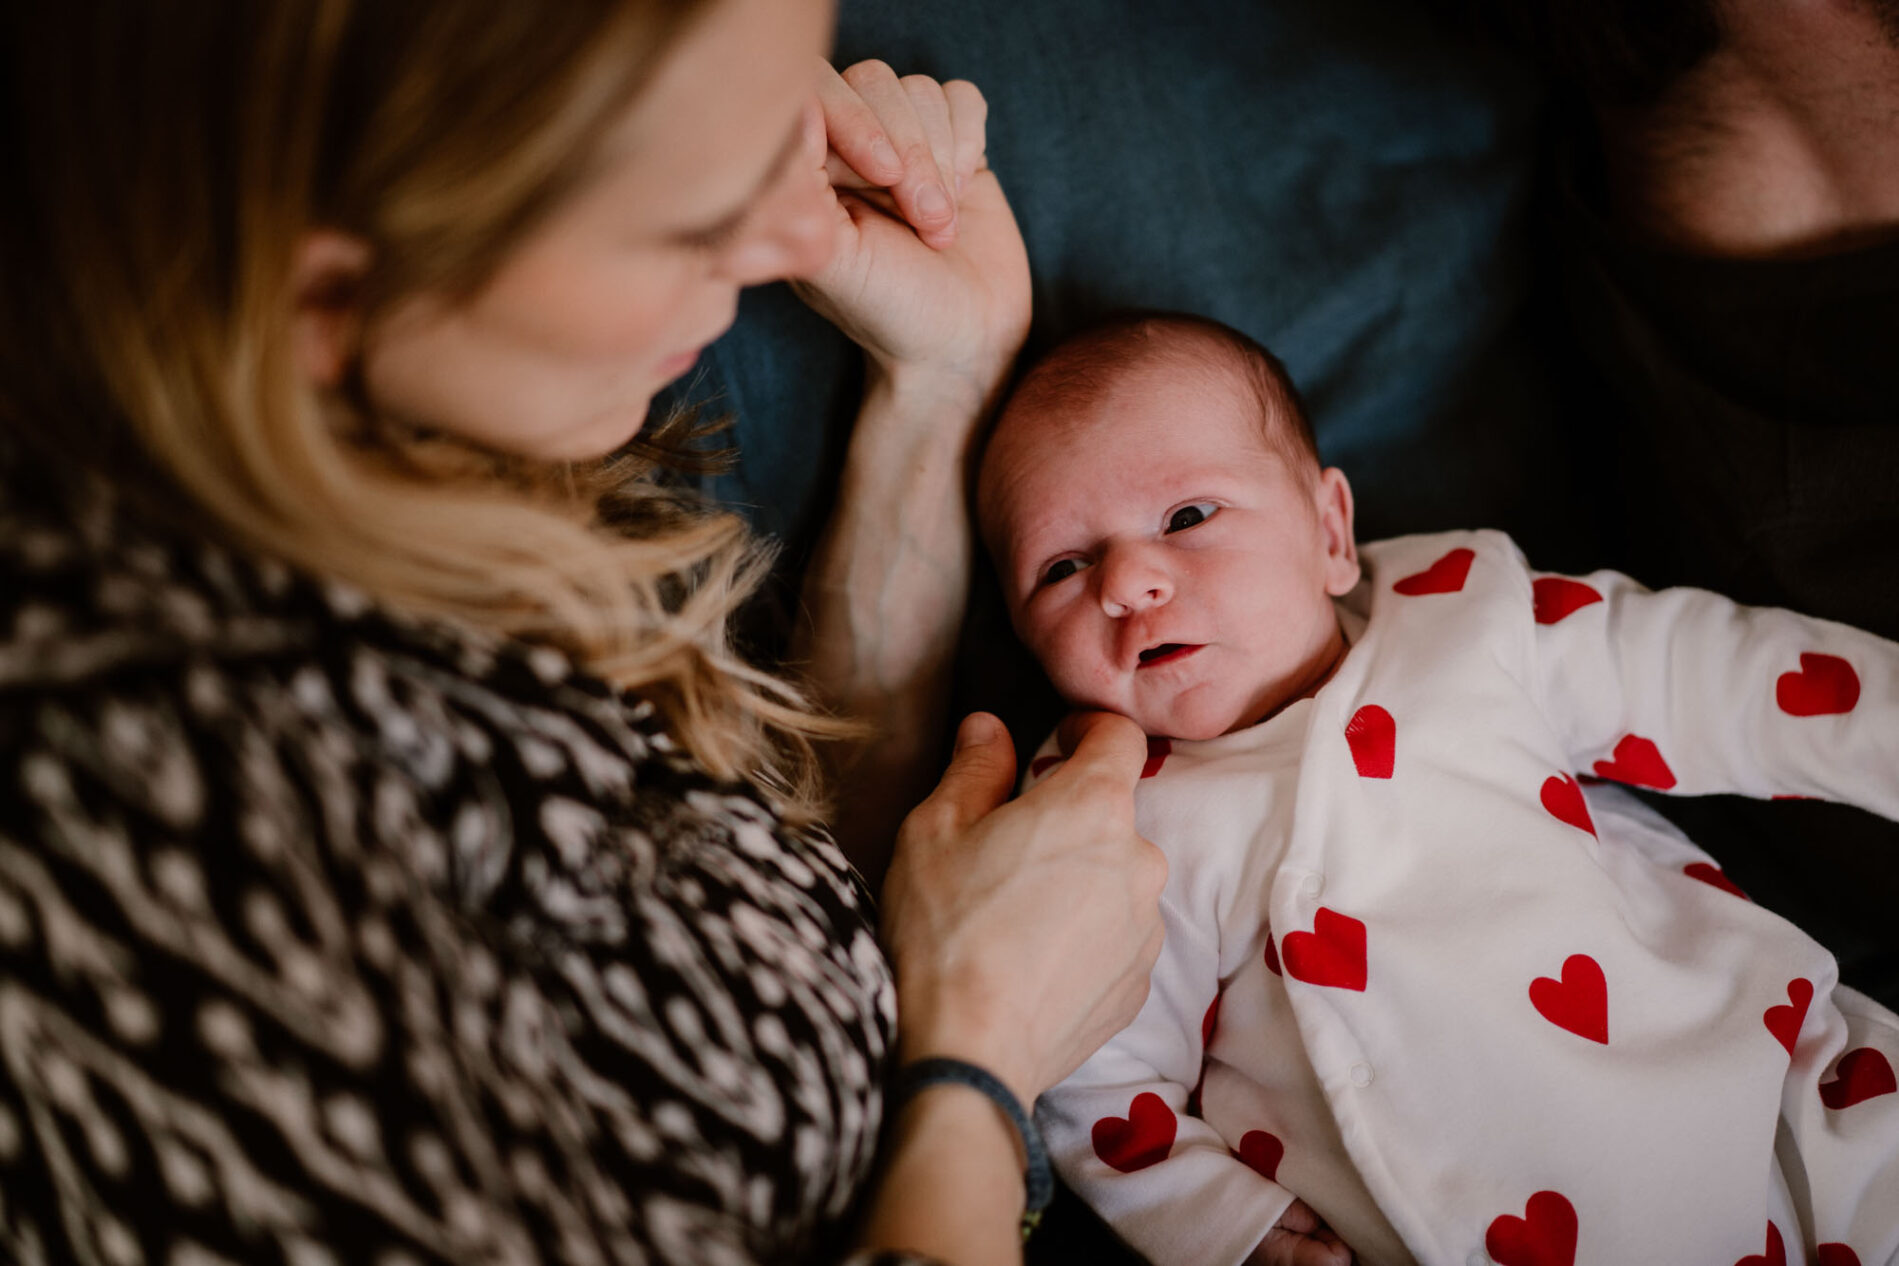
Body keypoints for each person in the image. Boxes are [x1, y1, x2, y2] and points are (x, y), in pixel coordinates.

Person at [0, 3, 1169, 1264]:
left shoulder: (383, 437)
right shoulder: (158, 834)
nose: (799, 226)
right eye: (689, 215)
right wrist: (980, 1065)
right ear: (330, 294)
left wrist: (941, 388)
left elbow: (735, 922)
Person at [975, 312, 1899, 1266]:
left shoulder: (1460, 616)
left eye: (1186, 517)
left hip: (1760, 1091)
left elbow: (1705, 680)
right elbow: (1085, 1064)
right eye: (1061, 569)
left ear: (1330, 532)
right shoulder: (1104, 818)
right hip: (1456, 1218)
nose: (1126, 582)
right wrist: (1222, 1225)